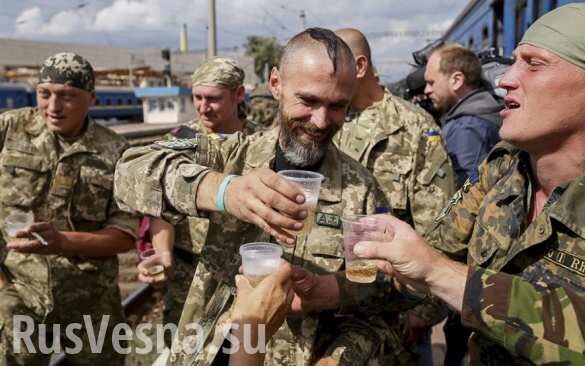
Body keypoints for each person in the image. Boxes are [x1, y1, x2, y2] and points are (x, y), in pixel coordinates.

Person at [115, 28, 400, 365]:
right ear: (276, 84)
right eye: (308, 101)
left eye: (337, 106)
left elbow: (381, 302)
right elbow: (130, 167)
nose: (321, 121)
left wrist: (336, 302)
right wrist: (224, 191)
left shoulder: (361, 190)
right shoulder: (226, 150)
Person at [351, 4, 585, 364]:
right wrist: (331, 288)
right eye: (515, 61)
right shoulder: (505, 166)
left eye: (534, 64)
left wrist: (436, 272)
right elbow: (437, 251)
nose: (504, 79)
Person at [0, 53, 138, 365]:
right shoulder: (9, 130)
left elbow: (124, 236)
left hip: (90, 297)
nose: (53, 107)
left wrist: (64, 242)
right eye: (44, 94)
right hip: (19, 294)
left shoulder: (116, 152)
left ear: (91, 99)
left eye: (67, 97)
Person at [333, 28, 454, 364]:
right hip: (332, 309)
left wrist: (426, 312)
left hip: (396, 317)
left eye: (333, 66)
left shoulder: (413, 127)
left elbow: (441, 228)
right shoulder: (327, 120)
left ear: (359, 66)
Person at [136, 57, 261, 348]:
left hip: (242, 273)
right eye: (198, 98)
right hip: (188, 273)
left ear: (238, 95)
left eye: (214, 99)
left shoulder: (259, 142)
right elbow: (160, 207)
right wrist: (163, 254)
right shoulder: (181, 141)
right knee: (184, 348)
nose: (204, 107)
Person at [424, 44, 501, 187]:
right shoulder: (481, 111)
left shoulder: (466, 128)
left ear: (456, 80)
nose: (427, 90)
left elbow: (467, 192)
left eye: (431, 82)